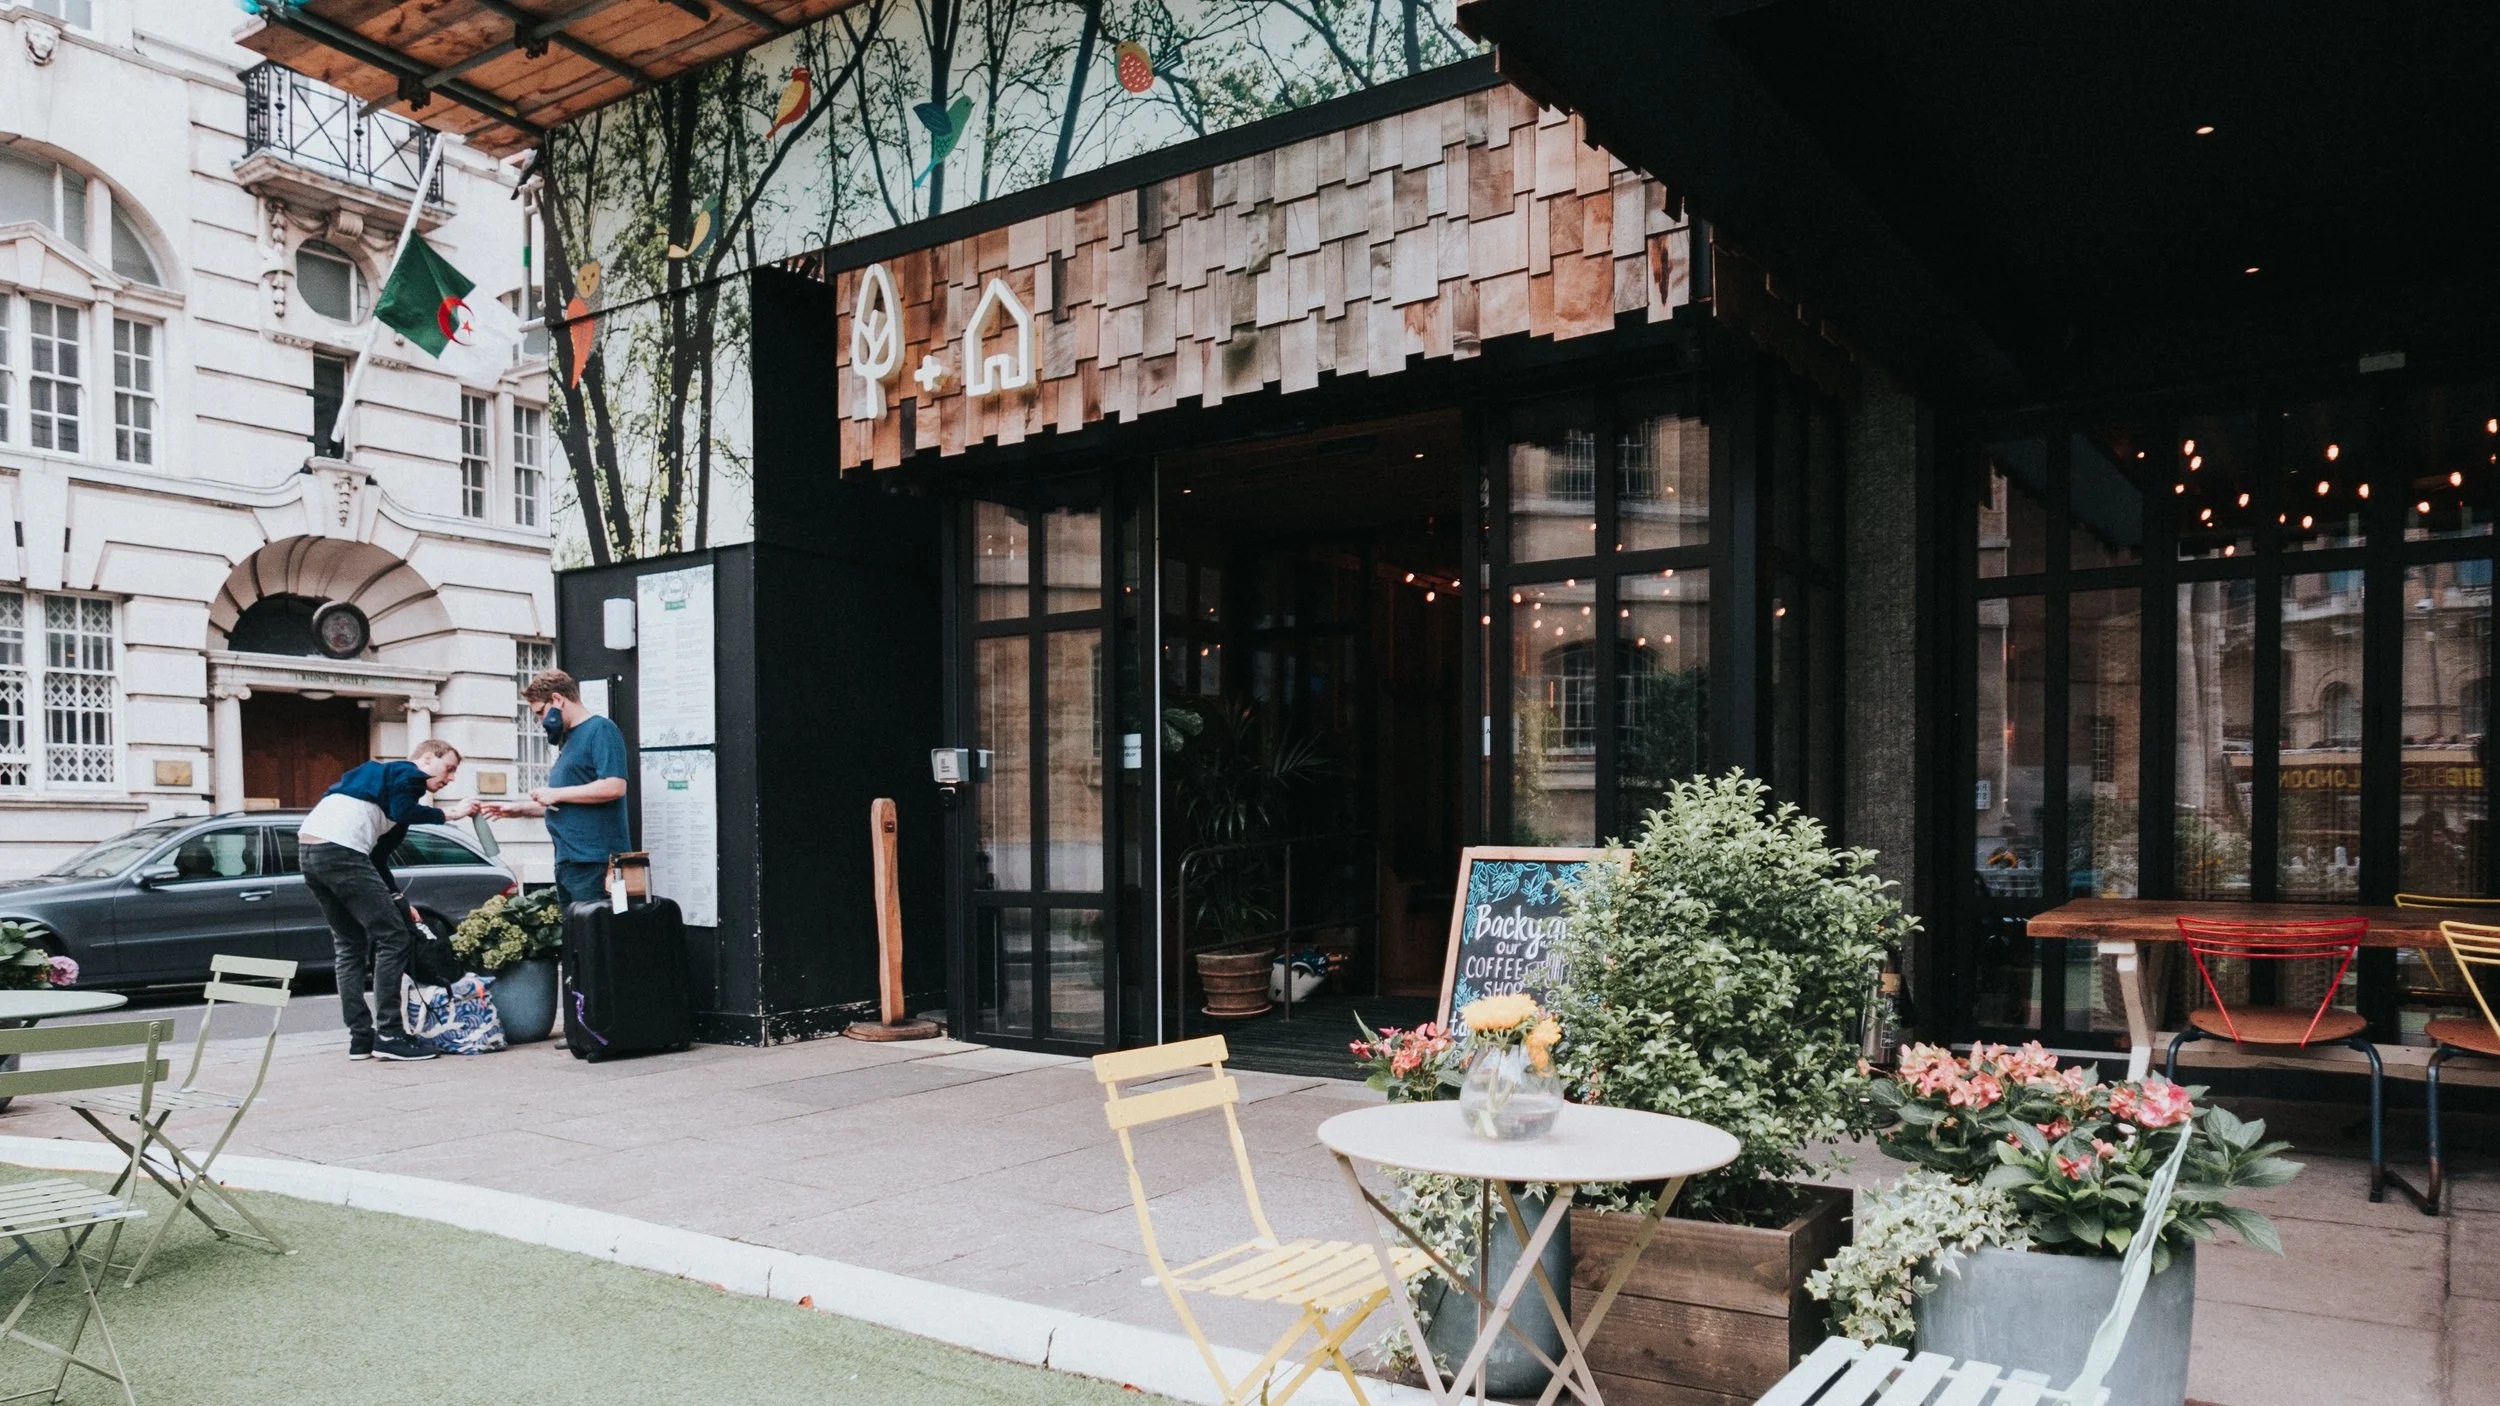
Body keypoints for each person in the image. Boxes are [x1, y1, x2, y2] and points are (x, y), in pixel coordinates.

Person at [301, 739, 478, 1062]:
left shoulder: (385, 787)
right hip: (341, 850)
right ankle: (390, 1034)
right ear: (427, 758)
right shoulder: (405, 773)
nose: (450, 778)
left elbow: (377, 859)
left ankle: (360, 1038)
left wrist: (398, 898)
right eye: (448, 769)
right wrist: (452, 813)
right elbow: (403, 809)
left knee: (349, 945)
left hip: (311, 851)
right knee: (394, 938)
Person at [490, 668, 630, 907]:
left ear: (557, 699)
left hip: (595, 863)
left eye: (540, 712)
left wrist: (554, 793)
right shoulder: (570, 740)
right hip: (570, 862)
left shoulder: (601, 729)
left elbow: (615, 786)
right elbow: (567, 804)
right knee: (578, 939)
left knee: (598, 938)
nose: (541, 721)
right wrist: (521, 809)